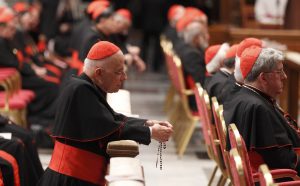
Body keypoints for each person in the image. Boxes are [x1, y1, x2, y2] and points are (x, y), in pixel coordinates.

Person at [37, 41, 173, 186]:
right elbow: (108, 128)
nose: (124, 77)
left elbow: (111, 118)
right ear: (99, 73)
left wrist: (147, 123)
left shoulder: (86, 86)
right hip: (69, 179)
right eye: (118, 72)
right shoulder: (80, 90)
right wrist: (150, 132)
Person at [224, 46, 300, 174]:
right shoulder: (258, 108)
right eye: (279, 72)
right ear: (263, 78)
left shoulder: (242, 96)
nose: (284, 76)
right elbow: (285, 162)